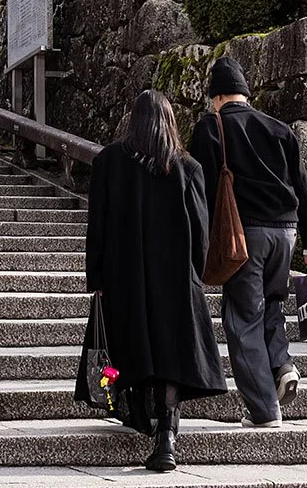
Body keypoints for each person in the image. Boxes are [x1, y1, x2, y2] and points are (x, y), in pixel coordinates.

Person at [83, 89, 223, 473]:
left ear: (134, 119)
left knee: (133, 345)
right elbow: (201, 231)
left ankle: (139, 412)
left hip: (122, 276)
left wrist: (96, 276)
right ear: (169, 121)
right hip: (175, 280)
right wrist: (195, 274)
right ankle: (166, 435)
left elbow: (98, 225)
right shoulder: (187, 167)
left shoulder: (109, 161)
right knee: (170, 352)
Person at [187, 56, 307, 427]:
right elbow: (302, 187)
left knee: (243, 318)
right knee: (272, 305)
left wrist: (198, 244)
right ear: (245, 93)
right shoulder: (280, 129)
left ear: (216, 96)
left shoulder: (210, 127)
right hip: (287, 233)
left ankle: (264, 410)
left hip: (243, 237)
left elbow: (201, 190)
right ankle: (282, 365)